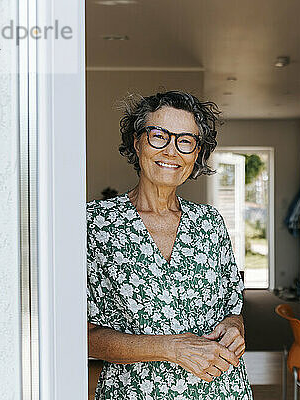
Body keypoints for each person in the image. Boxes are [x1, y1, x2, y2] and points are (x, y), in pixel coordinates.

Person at [87, 91, 253, 399]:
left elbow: (233, 309)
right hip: (136, 392)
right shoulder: (94, 225)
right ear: (137, 142)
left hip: (220, 390)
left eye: (186, 140)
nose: (172, 150)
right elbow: (85, 336)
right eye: (159, 135)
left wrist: (234, 330)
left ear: (197, 153)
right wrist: (172, 348)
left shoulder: (209, 222)